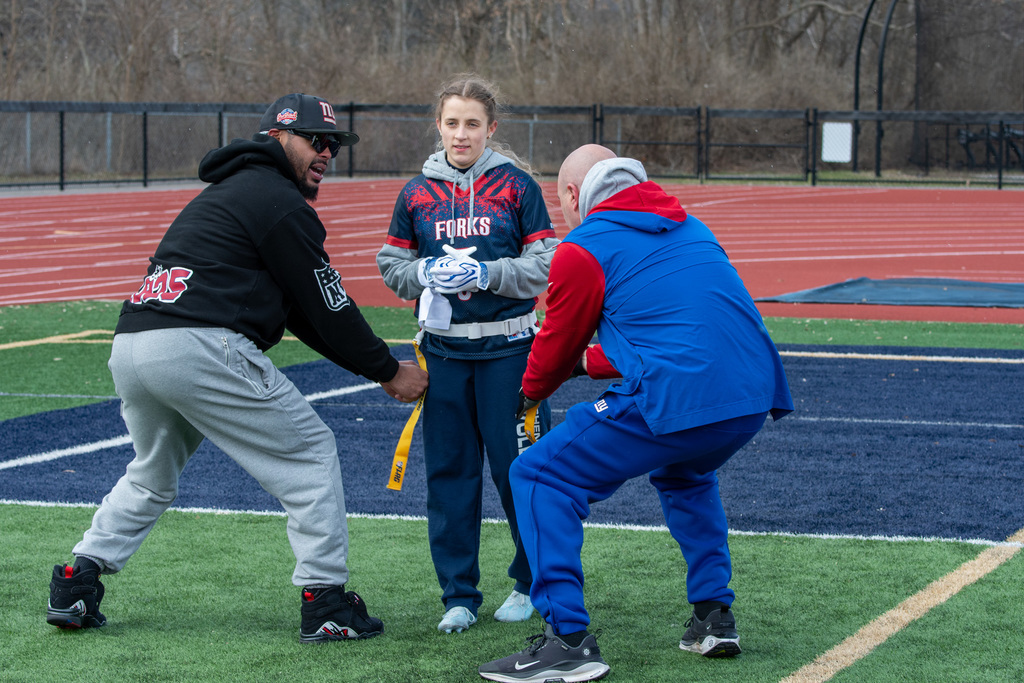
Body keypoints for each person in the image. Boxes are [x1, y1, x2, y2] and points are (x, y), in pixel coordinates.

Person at [45, 93, 429, 643]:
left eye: (332, 144)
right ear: (276, 138)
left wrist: (375, 369)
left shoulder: (229, 191)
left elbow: (302, 311)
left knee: (153, 471)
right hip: (194, 344)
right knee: (311, 453)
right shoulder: (277, 199)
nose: (326, 152)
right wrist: (388, 370)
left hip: (133, 342)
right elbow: (327, 304)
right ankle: (325, 599)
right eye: (314, 140)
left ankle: (76, 579)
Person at [478, 145, 794, 682]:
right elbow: (679, 327)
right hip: (751, 394)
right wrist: (588, 363)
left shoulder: (583, 247)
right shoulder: (692, 227)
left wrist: (529, 391)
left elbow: (552, 350)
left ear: (574, 196)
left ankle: (569, 643)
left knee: (538, 474)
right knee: (686, 474)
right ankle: (713, 616)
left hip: (680, 396)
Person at [376, 74, 558, 634]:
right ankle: (458, 594)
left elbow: (547, 263)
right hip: (445, 358)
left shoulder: (517, 187)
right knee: (451, 476)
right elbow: (391, 267)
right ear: (439, 126)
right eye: (452, 123)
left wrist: (488, 273)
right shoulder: (415, 194)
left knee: (522, 473)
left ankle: (532, 583)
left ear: (491, 128)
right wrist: (425, 272)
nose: (461, 134)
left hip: (510, 352)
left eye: (472, 124)